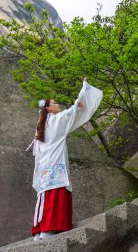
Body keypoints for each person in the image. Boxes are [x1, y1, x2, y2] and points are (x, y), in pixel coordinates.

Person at [29, 78, 103, 242]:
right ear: (48, 108)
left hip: (44, 166)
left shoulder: (40, 127)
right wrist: (84, 89)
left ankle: (40, 231)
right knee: (55, 194)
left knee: (45, 196)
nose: (58, 105)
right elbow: (74, 110)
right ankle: (48, 229)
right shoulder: (56, 121)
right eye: (55, 103)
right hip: (55, 163)